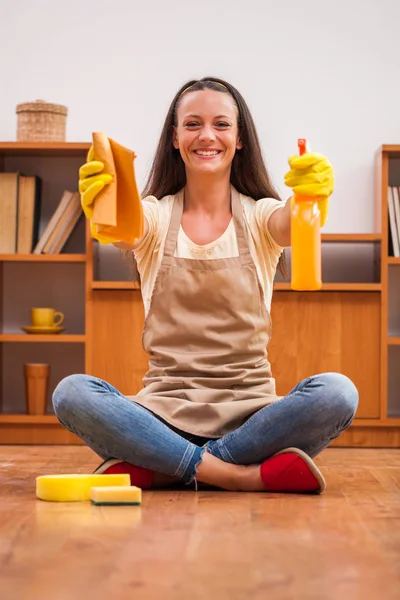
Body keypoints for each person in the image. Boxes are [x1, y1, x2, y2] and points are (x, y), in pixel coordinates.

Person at [53, 77, 358, 494]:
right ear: (175, 138)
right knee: (71, 393)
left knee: (337, 393)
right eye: (193, 124)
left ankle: (169, 467)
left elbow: (290, 222)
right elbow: (126, 229)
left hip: (251, 414)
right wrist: (105, 201)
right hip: (162, 411)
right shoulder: (155, 217)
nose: (207, 136)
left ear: (240, 139)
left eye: (221, 124)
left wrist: (311, 198)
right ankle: (237, 475)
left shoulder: (259, 217)